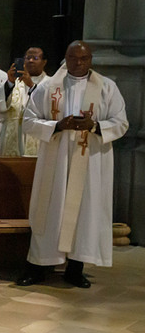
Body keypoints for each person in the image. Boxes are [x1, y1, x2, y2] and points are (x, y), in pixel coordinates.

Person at [18, 41, 129, 288]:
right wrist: (58, 125)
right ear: (65, 59)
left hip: (90, 161)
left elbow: (121, 123)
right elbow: (28, 121)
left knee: (84, 212)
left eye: (84, 58)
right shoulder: (47, 87)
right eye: (74, 58)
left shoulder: (107, 88)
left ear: (90, 59)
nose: (79, 63)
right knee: (50, 210)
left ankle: (75, 269)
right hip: (55, 161)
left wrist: (95, 126)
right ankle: (38, 266)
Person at [0, 46, 50, 157]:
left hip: (37, 138)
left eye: (35, 58)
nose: (30, 60)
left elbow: (49, 107)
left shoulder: (50, 83)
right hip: (12, 137)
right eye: (28, 57)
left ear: (44, 62)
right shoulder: (14, 82)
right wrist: (9, 84)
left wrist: (31, 86)